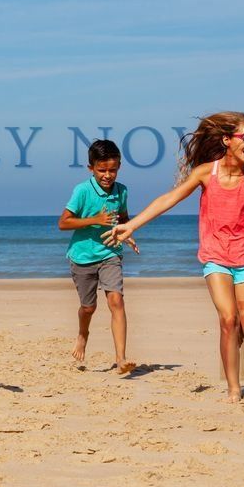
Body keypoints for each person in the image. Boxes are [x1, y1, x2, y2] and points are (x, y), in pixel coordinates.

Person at [103, 112, 244, 403]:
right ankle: (234, 389)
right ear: (227, 140)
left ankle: (231, 346)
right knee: (228, 319)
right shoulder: (205, 173)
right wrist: (132, 224)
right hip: (215, 260)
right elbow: (168, 199)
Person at [59, 139, 139, 373]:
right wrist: (95, 220)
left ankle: (121, 358)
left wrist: (128, 232)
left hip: (110, 253)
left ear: (119, 167)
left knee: (116, 301)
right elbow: (63, 223)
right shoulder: (82, 191)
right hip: (82, 257)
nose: (107, 175)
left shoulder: (121, 191)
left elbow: (123, 218)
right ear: (91, 168)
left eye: (112, 170)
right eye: (102, 170)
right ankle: (83, 334)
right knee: (88, 308)